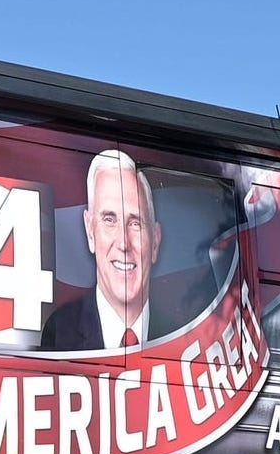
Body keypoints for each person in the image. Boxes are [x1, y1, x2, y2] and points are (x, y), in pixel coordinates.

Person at [41, 149, 179, 350]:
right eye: (109, 220)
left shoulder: (181, 338)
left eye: (135, 223)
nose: (123, 243)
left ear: (155, 241)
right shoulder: (59, 335)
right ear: (90, 232)